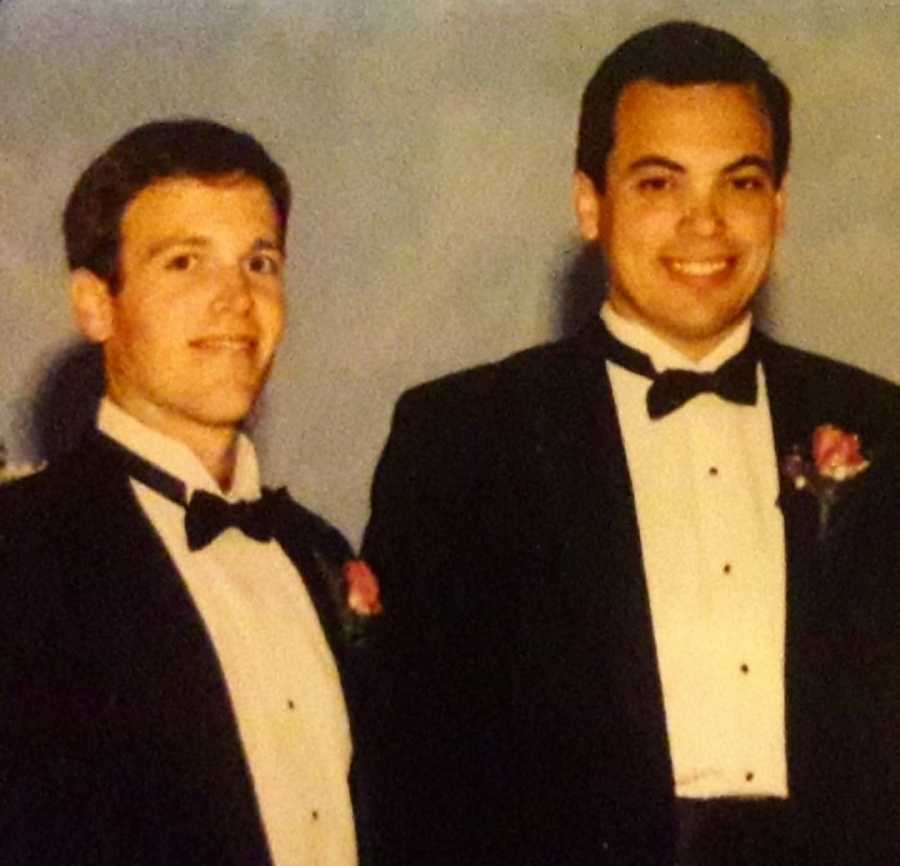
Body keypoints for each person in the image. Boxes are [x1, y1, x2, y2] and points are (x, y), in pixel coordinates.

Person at [361, 21, 900, 866]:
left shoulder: (883, 427)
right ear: (590, 204)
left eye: (741, 183)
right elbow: (411, 771)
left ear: (780, 206)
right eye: (659, 183)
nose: (705, 224)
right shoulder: (464, 438)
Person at [0, 119, 369, 866]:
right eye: (185, 263)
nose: (235, 298)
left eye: (259, 263)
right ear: (95, 303)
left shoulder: (320, 551)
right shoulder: (21, 552)